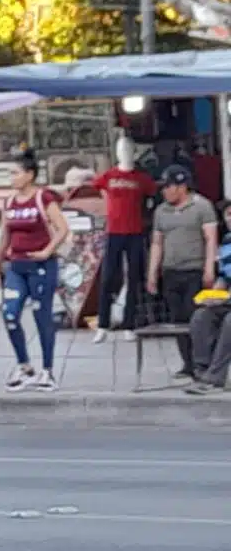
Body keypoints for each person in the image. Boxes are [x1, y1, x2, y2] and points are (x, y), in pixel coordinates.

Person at [0, 149, 70, 392]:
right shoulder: (9, 202)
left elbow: (62, 228)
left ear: (29, 175)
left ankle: (47, 370)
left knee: (41, 315)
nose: (11, 177)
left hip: (42, 266)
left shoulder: (43, 198)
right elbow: (5, 236)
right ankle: (24, 366)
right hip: (16, 267)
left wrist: (47, 251)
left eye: (15, 173)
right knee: (10, 314)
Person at [147, 165, 219, 379]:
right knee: (177, 319)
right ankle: (187, 363)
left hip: (194, 270)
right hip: (171, 271)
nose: (165, 191)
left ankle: (202, 363)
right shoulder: (161, 211)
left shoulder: (202, 206)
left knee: (196, 318)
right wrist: (152, 272)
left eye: (169, 186)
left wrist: (209, 268)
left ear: (182, 187)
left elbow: (210, 239)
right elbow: (157, 243)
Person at [92, 138, 157, 342]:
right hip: (114, 232)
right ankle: (103, 324)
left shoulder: (142, 179)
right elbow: (98, 188)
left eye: (128, 148)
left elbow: (152, 196)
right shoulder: (108, 176)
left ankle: (129, 323)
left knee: (134, 277)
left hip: (135, 232)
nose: (125, 152)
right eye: (121, 148)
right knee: (109, 277)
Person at [185, 200, 231, 394]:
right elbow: (223, 277)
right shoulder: (228, 242)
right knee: (202, 316)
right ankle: (202, 371)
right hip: (228, 298)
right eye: (228, 215)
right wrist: (213, 296)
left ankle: (215, 378)